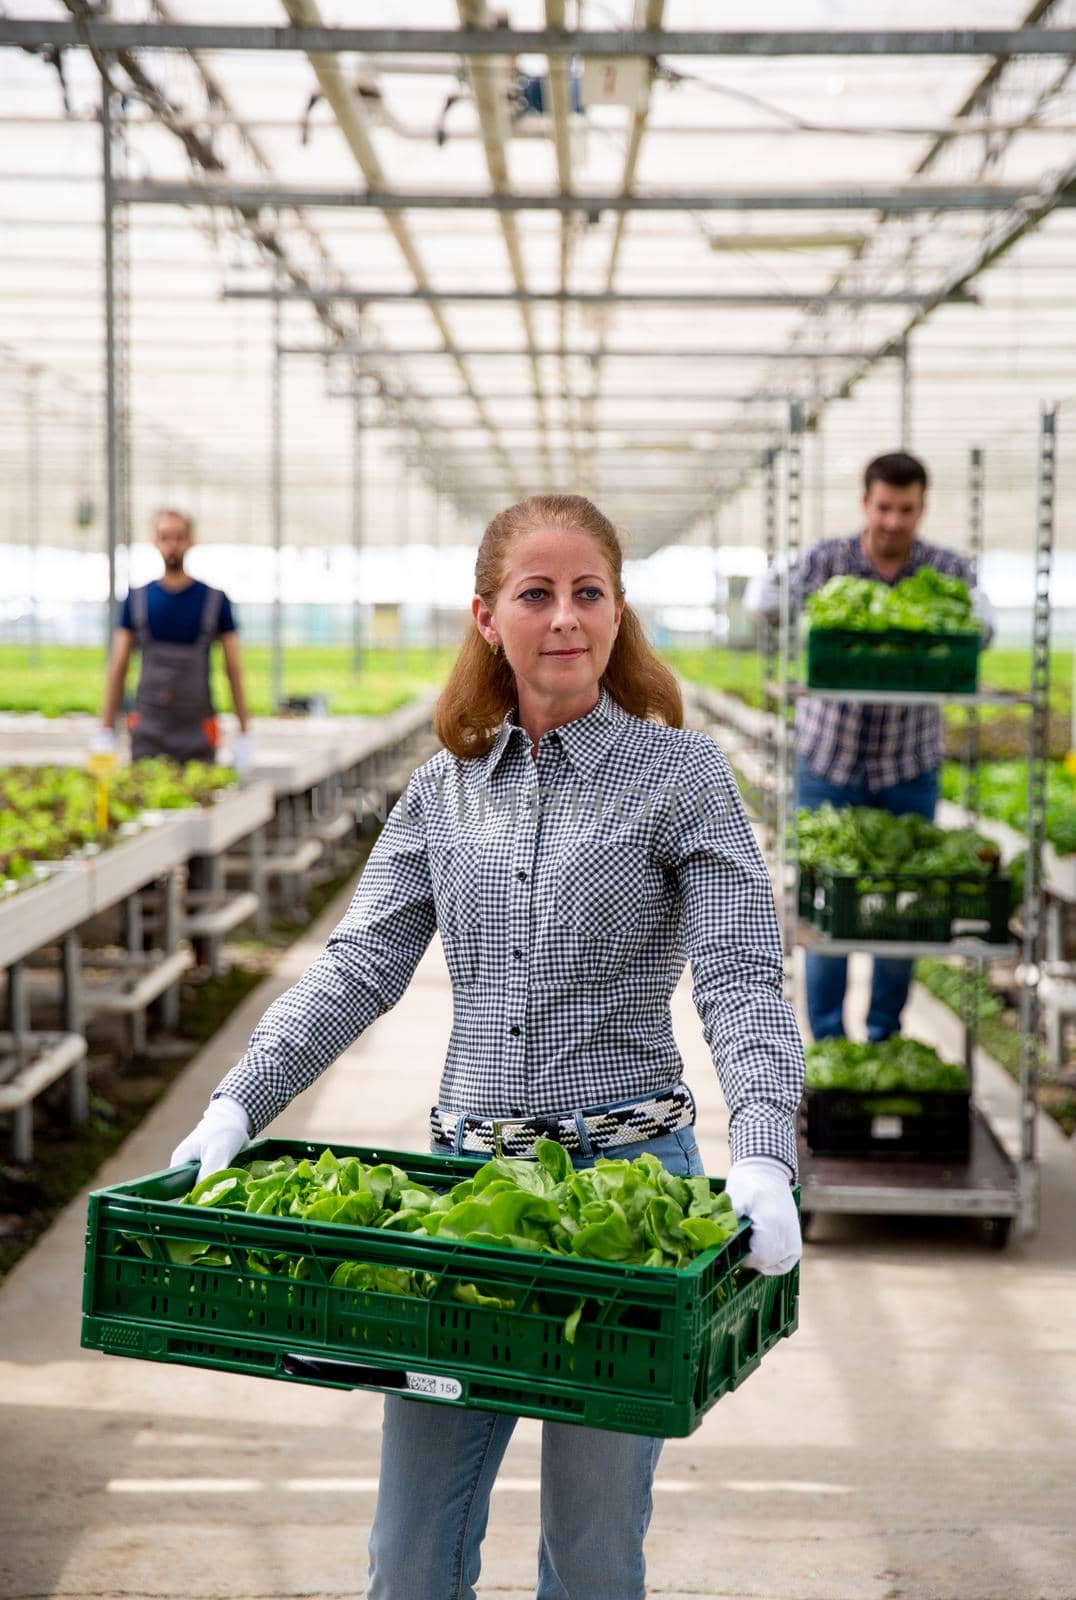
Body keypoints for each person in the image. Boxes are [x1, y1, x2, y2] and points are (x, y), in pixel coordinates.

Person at [171, 493, 804, 1600]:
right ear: (485, 617)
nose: (566, 617)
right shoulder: (441, 790)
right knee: (409, 1554)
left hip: (623, 1210)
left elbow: (742, 976)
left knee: (593, 1551)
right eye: (536, 593)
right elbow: (358, 964)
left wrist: (761, 1150)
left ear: (618, 612)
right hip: (463, 1208)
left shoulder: (682, 778)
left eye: (589, 592)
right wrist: (237, 1102)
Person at [746, 451, 995, 1043]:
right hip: (828, 763)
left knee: (903, 910)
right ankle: (829, 1043)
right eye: (883, 507)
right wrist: (788, 608)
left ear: (921, 508)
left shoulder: (946, 567)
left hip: (909, 767)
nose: (892, 521)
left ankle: (884, 1035)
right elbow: (763, 603)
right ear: (866, 503)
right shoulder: (827, 559)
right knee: (830, 910)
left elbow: (984, 627)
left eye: (905, 510)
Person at [94, 508, 252, 771]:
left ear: (191, 541)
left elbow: (233, 668)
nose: (172, 545)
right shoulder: (137, 599)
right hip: (148, 728)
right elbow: (118, 667)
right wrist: (105, 729)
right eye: (165, 537)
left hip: (198, 730)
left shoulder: (214, 600)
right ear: (155, 541)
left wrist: (245, 732)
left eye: (179, 537)